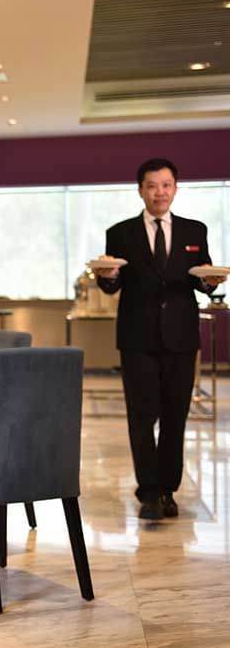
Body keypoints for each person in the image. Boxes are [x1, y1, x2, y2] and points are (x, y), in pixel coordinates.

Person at [94, 158, 227, 520]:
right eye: (152, 186)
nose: (159, 192)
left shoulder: (194, 231)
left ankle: (168, 490)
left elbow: (201, 278)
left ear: (175, 189)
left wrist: (209, 282)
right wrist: (105, 277)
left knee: (175, 417)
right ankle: (148, 492)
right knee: (141, 417)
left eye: (166, 185)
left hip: (182, 338)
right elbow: (111, 283)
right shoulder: (120, 232)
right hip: (137, 339)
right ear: (140, 190)